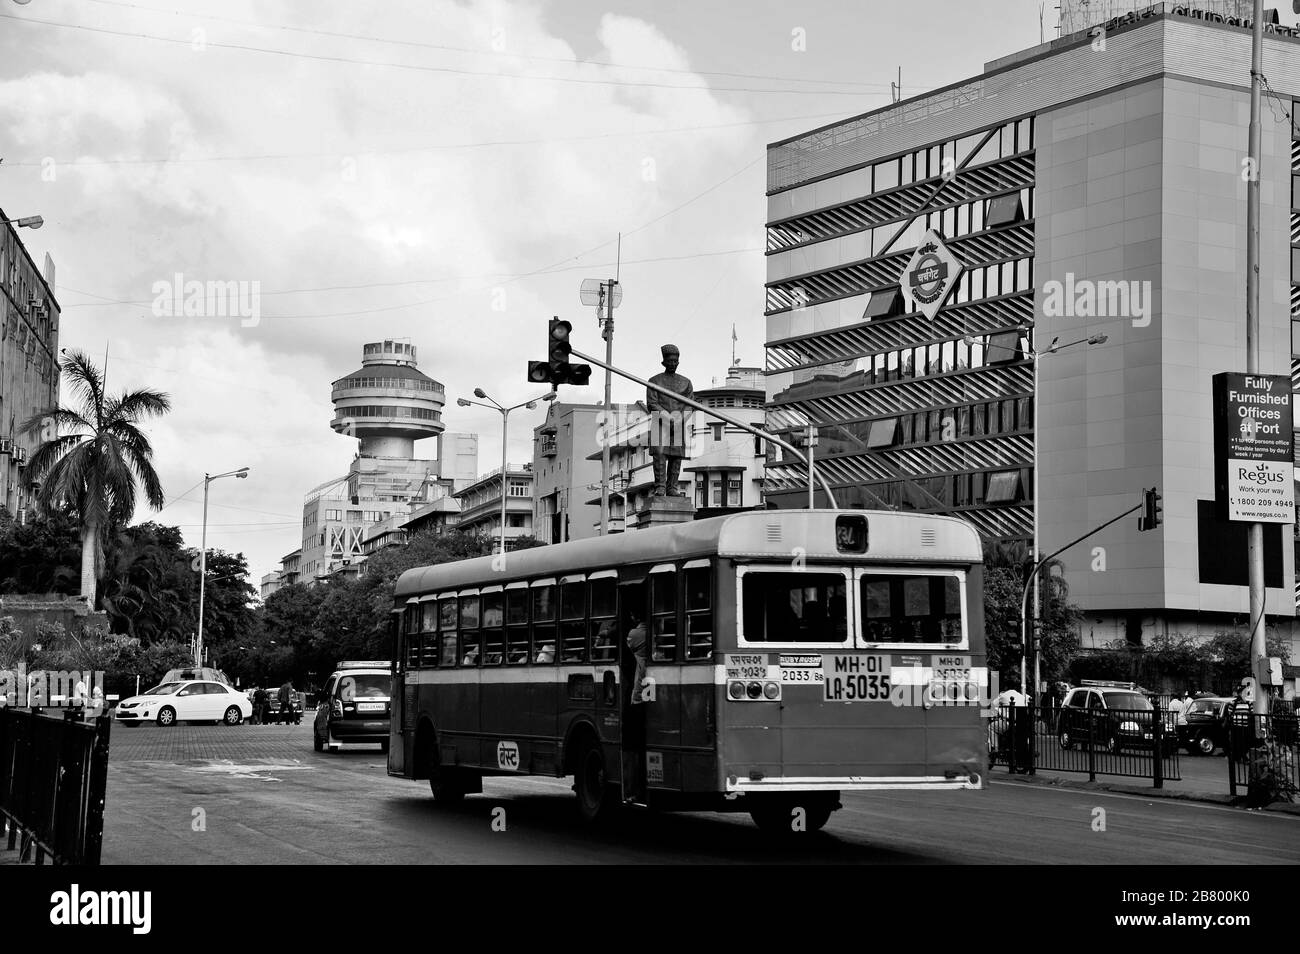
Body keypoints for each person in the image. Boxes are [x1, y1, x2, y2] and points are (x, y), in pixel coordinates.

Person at [647, 344, 694, 496]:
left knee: (676, 457)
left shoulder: (686, 382)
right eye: (670, 361)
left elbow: (690, 404)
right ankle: (660, 486)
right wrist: (669, 419)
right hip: (660, 424)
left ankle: (672, 487)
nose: (673, 364)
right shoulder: (654, 381)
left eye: (675, 361)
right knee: (660, 454)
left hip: (679, 423)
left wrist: (679, 420)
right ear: (664, 362)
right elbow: (652, 403)